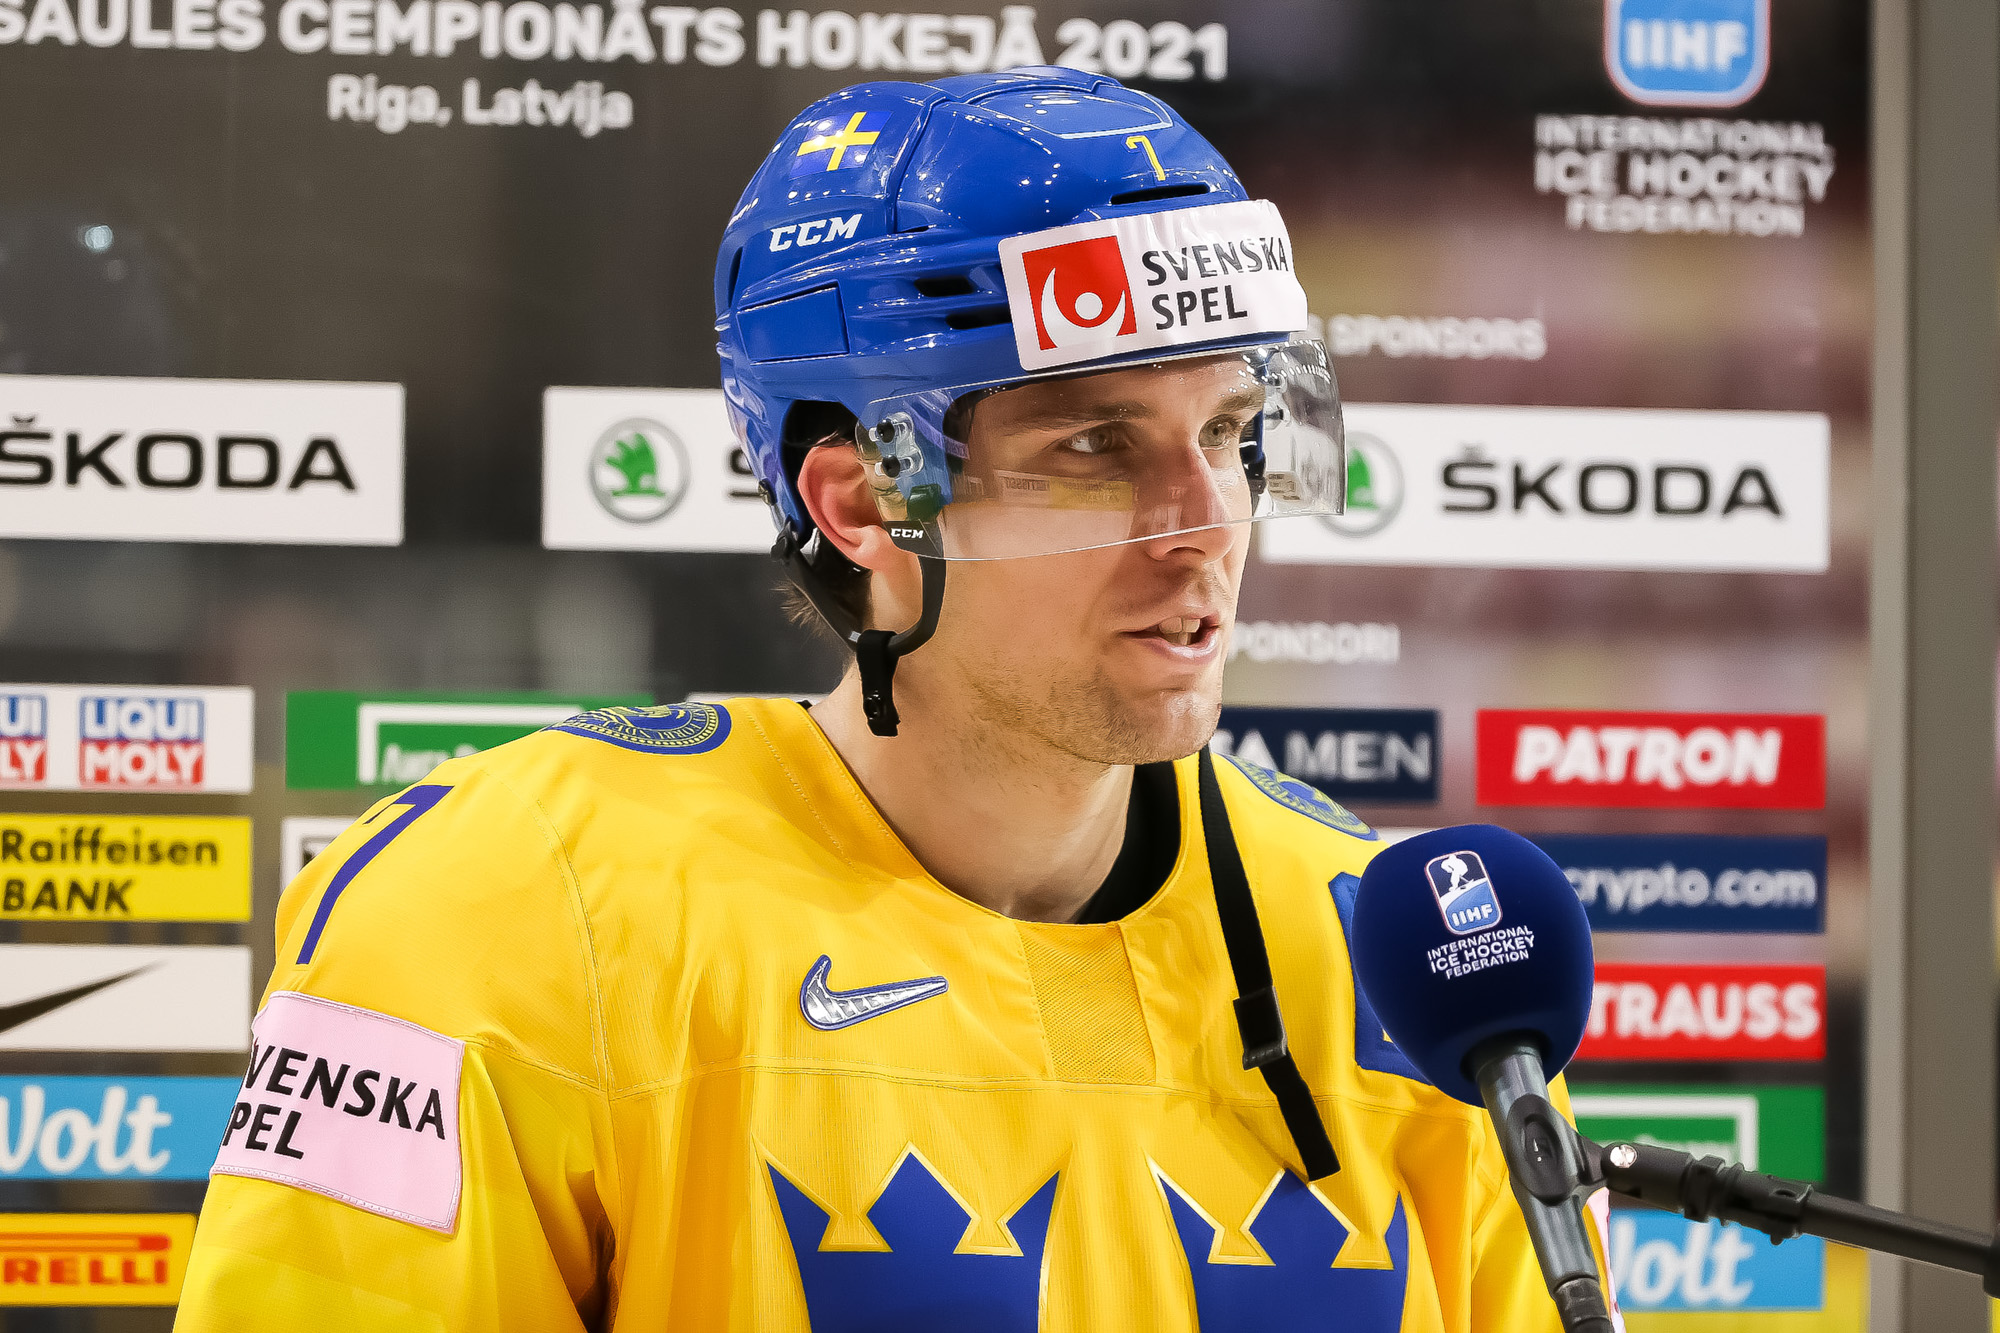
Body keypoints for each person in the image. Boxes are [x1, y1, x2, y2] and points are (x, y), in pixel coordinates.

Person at [177, 67, 1607, 1331]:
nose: (1202, 524)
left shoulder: (1414, 967)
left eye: (1230, 431)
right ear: (861, 503)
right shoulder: (510, 909)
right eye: (1098, 448)